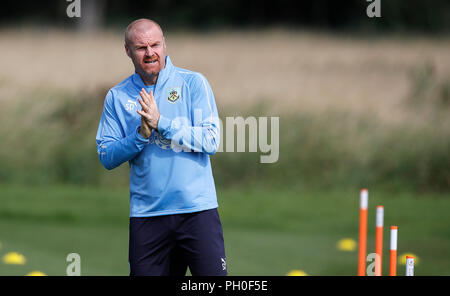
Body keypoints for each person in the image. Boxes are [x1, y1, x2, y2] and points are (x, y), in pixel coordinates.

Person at [95, 19, 226, 276]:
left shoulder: (193, 83)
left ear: (164, 44)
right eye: (141, 47)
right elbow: (106, 156)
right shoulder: (117, 96)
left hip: (196, 211)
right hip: (148, 215)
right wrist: (140, 135)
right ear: (127, 51)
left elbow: (211, 140)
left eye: (155, 44)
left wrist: (161, 123)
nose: (150, 52)